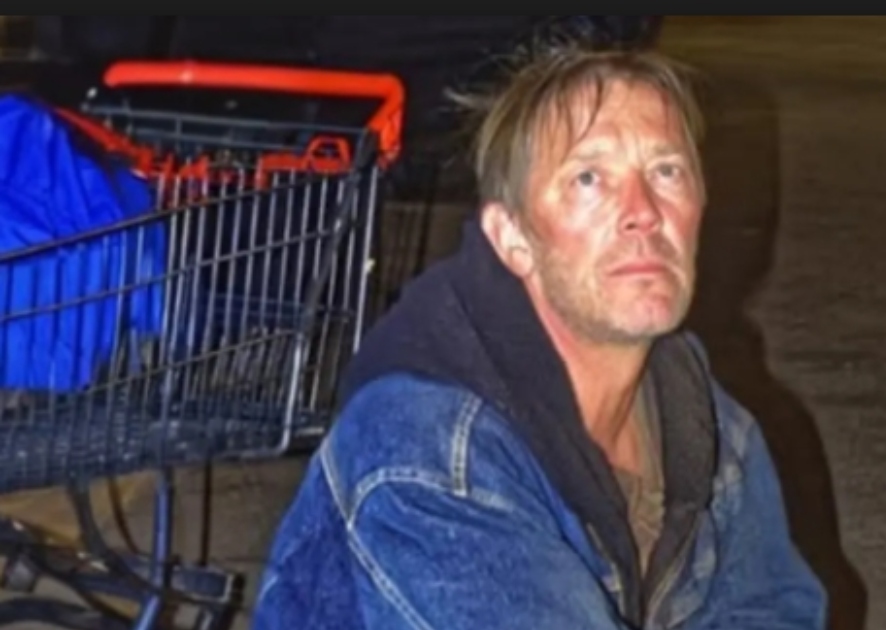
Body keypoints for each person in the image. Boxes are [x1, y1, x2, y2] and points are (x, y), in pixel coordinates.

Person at [252, 45, 827, 630]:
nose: (644, 211)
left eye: (666, 171)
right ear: (512, 239)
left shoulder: (703, 421)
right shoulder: (427, 443)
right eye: (588, 178)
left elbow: (774, 610)